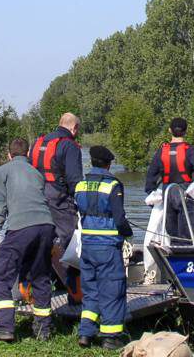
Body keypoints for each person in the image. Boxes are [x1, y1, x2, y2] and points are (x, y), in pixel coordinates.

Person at [0, 137, 56, 343]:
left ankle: (4, 326)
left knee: (1, 274)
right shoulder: (37, 173)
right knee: (40, 275)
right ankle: (43, 329)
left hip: (22, 226)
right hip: (47, 226)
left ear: (9, 154)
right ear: (28, 153)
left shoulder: (2, 172)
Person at [75, 145, 132, 350]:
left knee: (90, 290)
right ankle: (110, 337)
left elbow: (77, 212)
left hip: (87, 244)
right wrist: (128, 234)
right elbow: (119, 218)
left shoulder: (80, 184)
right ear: (108, 164)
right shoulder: (112, 185)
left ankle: (86, 333)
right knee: (112, 290)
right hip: (107, 245)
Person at [29, 113, 83, 274]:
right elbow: (74, 179)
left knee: (42, 237)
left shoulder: (38, 142)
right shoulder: (69, 145)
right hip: (59, 198)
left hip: (36, 195)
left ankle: (42, 279)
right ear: (74, 128)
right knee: (69, 239)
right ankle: (72, 285)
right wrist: (81, 201)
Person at [144, 117, 194, 246]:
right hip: (185, 194)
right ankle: (186, 256)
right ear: (186, 131)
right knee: (187, 233)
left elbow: (151, 175)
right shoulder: (189, 150)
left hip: (168, 194)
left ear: (169, 130)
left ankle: (172, 257)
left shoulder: (162, 151)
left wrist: (151, 193)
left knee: (171, 232)